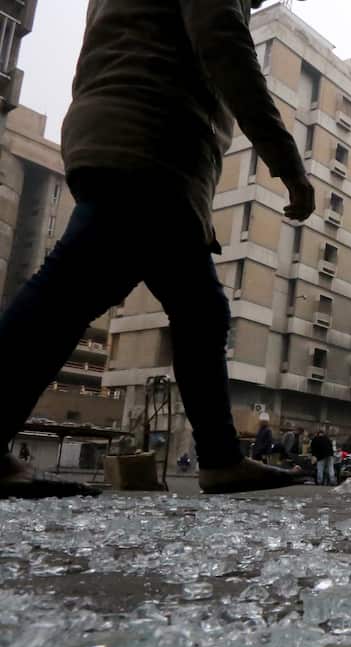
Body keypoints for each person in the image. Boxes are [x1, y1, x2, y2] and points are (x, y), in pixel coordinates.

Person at [0, 0, 314, 498]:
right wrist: (288, 163)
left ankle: (220, 459)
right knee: (64, 294)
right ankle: (220, 459)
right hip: (149, 139)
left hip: (125, 135)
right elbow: (224, 47)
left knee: (199, 311)